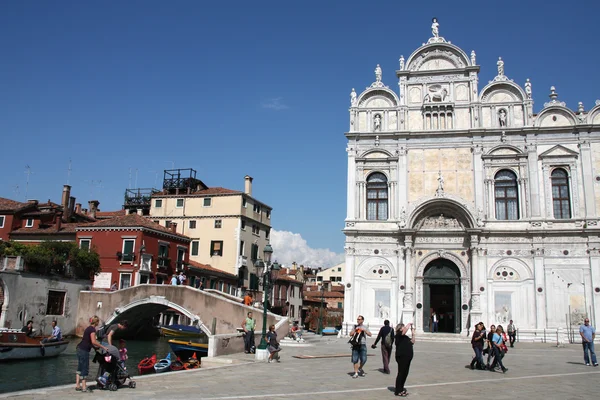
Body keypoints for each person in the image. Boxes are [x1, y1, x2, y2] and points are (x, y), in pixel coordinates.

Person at [76, 316, 108, 392]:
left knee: (80, 367)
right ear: (96, 322)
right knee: (85, 367)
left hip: (79, 348)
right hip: (84, 350)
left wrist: (95, 348)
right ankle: (84, 387)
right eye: (98, 322)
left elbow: (88, 341)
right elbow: (93, 341)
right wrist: (103, 347)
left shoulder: (88, 328)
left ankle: (77, 385)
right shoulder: (92, 329)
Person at [394, 322, 415, 397]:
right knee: (401, 373)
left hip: (407, 357)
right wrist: (409, 324)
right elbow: (403, 331)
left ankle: (401, 388)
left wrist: (413, 334)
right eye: (403, 327)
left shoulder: (405, 337)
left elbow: (412, 342)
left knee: (405, 373)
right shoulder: (398, 335)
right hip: (401, 357)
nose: (404, 328)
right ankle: (398, 390)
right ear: (400, 328)